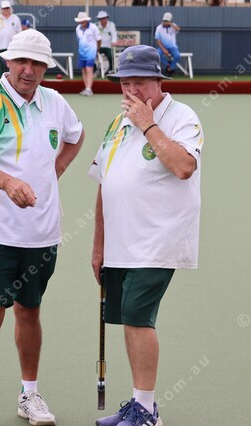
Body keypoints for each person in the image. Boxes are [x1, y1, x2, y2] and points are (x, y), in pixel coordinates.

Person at [0, 29, 84, 426]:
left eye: (37, 63)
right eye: (22, 61)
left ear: (46, 67)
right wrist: (7, 182)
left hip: (41, 233)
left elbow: (76, 137)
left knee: (29, 310)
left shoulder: (55, 102)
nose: (29, 70)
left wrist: (55, 170)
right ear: (8, 61)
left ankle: (30, 395)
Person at [88, 45, 203, 426]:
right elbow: (104, 183)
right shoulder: (117, 122)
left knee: (138, 316)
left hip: (158, 239)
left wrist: (148, 126)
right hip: (120, 242)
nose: (131, 91)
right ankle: (139, 404)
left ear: (158, 81)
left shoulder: (182, 117)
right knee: (128, 318)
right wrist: (98, 246)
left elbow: (184, 167)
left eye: (139, 82)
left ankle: (148, 411)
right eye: (125, 83)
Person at [0, 0, 21, 79]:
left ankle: (12, 85)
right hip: (0, 48)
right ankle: (0, 85)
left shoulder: (15, 18)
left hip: (12, 48)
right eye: (4, 8)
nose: (6, 10)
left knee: (12, 69)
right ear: (1, 9)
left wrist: (18, 46)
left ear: (10, 8)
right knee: (1, 70)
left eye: (7, 8)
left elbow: (19, 33)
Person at [74, 11, 100, 96]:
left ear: (86, 20)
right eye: (80, 21)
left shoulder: (93, 27)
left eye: (83, 20)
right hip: (82, 52)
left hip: (91, 51)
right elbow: (79, 40)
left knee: (89, 69)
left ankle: (89, 89)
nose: (81, 22)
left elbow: (99, 39)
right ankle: (86, 88)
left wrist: (97, 49)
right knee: (84, 70)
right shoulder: (78, 29)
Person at [154, 12, 181, 77]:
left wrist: (171, 24)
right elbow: (158, 41)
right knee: (158, 54)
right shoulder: (159, 28)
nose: (165, 22)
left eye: (167, 21)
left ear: (170, 21)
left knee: (177, 56)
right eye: (164, 21)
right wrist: (163, 49)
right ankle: (167, 65)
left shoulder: (173, 26)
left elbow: (178, 29)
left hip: (172, 47)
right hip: (163, 47)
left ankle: (170, 68)